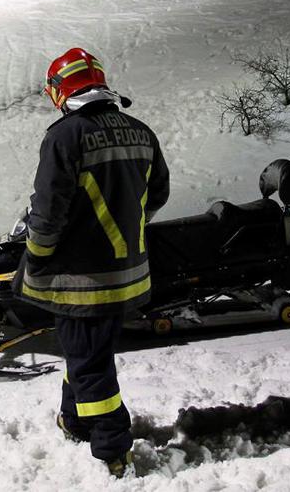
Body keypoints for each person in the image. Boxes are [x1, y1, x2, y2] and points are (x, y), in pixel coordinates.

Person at [13, 48, 170, 478]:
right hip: (128, 274)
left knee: (90, 361)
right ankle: (75, 419)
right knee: (84, 351)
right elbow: (156, 196)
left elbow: (48, 212)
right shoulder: (140, 131)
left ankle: (113, 449)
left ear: (59, 90)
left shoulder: (66, 136)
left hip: (82, 279)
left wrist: (36, 257)